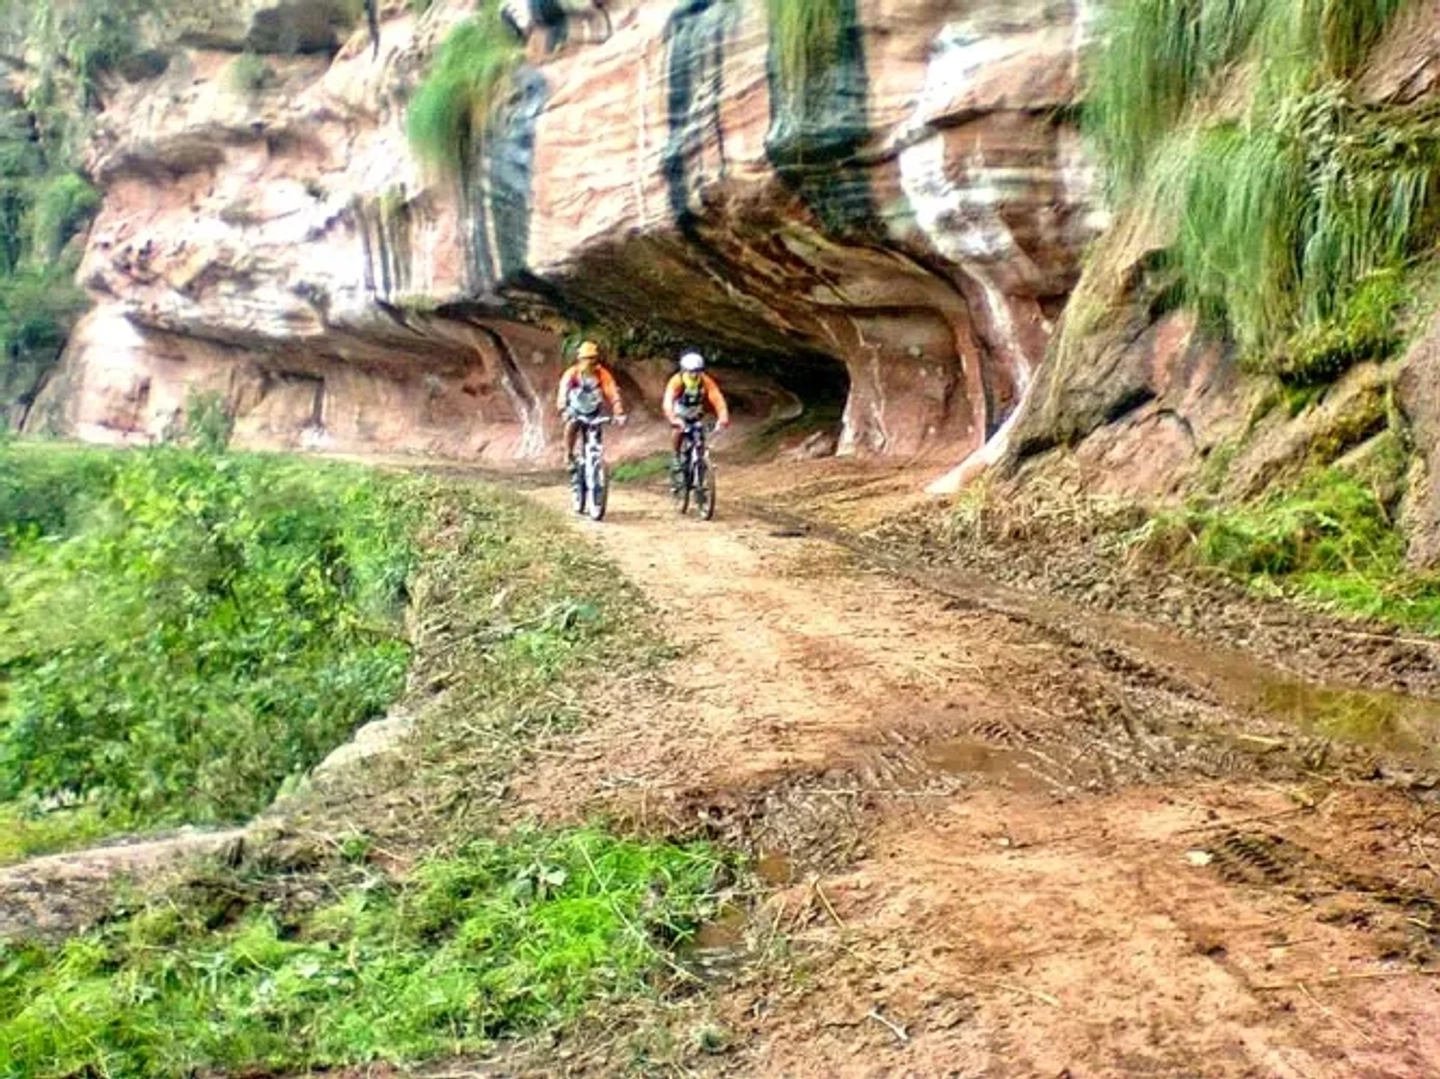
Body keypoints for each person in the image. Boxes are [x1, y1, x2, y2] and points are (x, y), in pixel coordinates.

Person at [556, 340, 626, 478]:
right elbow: (563, 391)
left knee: (595, 435)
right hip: (575, 409)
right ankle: (568, 455)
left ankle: (596, 462)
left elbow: (611, 390)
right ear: (580, 359)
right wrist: (563, 408)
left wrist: (618, 410)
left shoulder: (601, 374)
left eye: (592, 358)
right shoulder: (573, 373)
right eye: (586, 358)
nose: (589, 361)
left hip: (594, 410)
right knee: (572, 426)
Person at [662, 351, 729, 486]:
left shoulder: (705, 380)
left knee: (700, 433)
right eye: (691, 371)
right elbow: (668, 400)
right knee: (678, 430)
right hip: (679, 411)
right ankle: (676, 456)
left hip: (696, 412)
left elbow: (716, 397)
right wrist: (673, 419)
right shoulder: (677, 380)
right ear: (684, 370)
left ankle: (701, 463)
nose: (694, 374)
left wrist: (723, 416)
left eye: (697, 371)